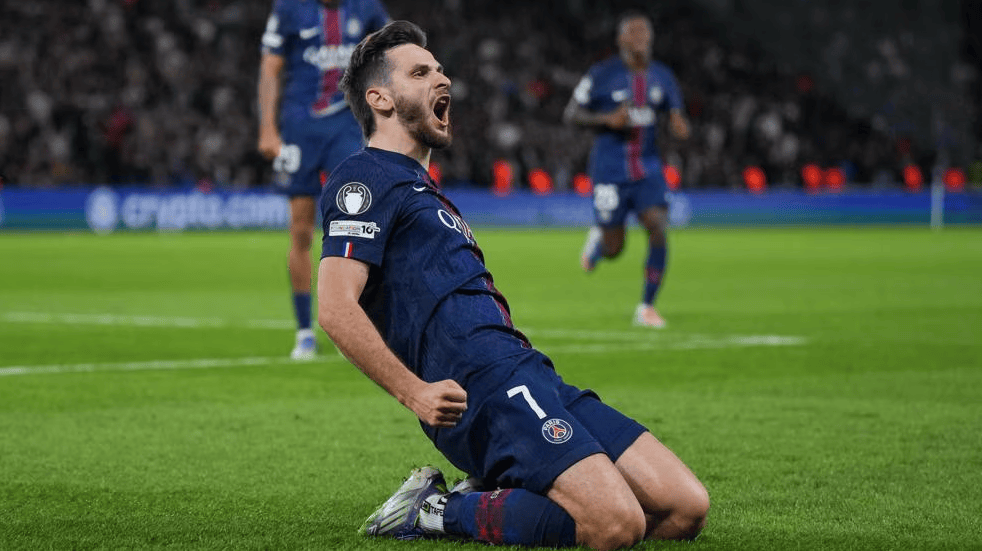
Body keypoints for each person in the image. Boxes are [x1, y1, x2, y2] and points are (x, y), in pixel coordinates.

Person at [317, 20, 709, 550]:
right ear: (380, 99)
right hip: (481, 387)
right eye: (420, 72)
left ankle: (498, 486)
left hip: (531, 373)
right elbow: (335, 307)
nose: (442, 78)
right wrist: (414, 392)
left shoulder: (423, 191)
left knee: (685, 508)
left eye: (439, 69)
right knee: (616, 525)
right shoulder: (365, 177)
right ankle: (434, 510)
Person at [257, 0, 389, 360]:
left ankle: (353, 326)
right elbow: (270, 67)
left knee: (355, 226)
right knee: (301, 229)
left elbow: (392, 54)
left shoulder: (366, 7)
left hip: (346, 128)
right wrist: (267, 128)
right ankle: (304, 332)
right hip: (299, 129)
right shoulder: (289, 8)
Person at [564, 10, 690, 329]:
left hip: (648, 168)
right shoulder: (602, 73)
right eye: (633, 32)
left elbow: (677, 115)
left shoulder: (662, 75)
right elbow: (572, 114)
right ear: (621, 39)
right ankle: (599, 242)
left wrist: (679, 124)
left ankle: (647, 306)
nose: (640, 38)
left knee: (658, 225)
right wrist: (606, 119)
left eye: (644, 32)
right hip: (609, 170)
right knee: (614, 248)